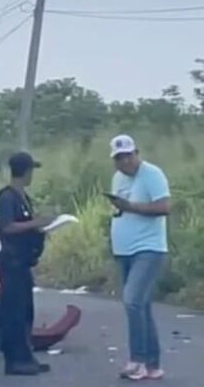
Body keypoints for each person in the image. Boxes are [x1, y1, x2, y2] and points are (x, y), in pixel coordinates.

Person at [107, 135, 170, 381]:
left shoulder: (152, 174)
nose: (125, 162)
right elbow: (122, 208)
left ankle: (138, 360)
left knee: (132, 301)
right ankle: (153, 365)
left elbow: (164, 207)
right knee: (141, 305)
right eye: (119, 158)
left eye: (129, 156)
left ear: (137, 153)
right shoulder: (117, 178)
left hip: (148, 247)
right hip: (124, 249)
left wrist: (131, 206)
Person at [0, 152, 54, 376]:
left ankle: (26, 356)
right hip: (11, 262)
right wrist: (35, 223)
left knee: (26, 312)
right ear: (26, 171)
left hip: (23, 262)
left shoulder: (23, 197)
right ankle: (15, 360)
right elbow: (6, 227)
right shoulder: (7, 197)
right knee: (14, 313)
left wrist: (39, 226)